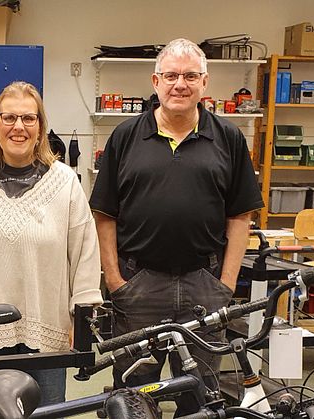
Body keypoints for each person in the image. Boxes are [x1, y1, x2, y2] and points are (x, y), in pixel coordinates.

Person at [89, 38, 264, 415]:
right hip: (139, 286)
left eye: (189, 76)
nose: (179, 84)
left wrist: (226, 285)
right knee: (135, 394)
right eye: (170, 75)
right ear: (155, 81)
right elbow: (104, 214)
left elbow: (240, 216)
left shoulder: (229, 138)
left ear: (204, 82)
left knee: (200, 395)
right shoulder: (125, 136)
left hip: (205, 283)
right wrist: (116, 279)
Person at [0, 81, 103, 406]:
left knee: (47, 413)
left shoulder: (65, 181)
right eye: (9, 118)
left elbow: (85, 253)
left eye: (28, 118)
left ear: (40, 128)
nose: (18, 127)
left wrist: (79, 322)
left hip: (48, 332)